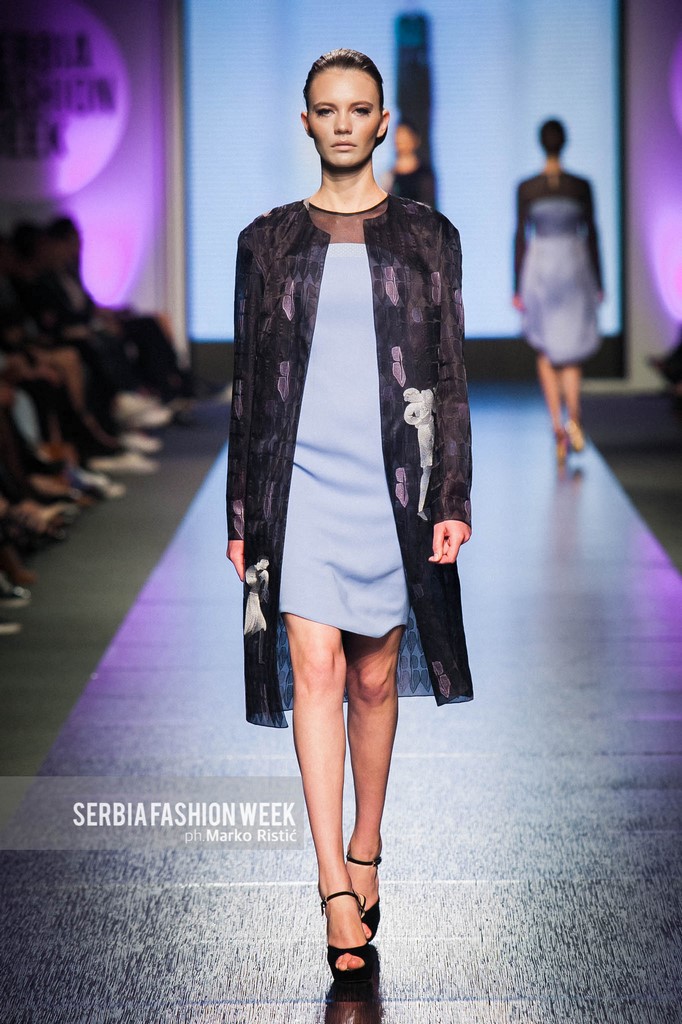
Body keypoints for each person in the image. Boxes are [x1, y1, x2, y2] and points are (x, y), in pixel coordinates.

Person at [226, 49, 472, 985]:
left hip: (392, 484)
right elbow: (246, 385)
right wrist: (242, 511)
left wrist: (451, 497)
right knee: (316, 667)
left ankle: (367, 843)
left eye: (357, 109)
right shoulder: (266, 241)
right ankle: (333, 881)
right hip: (299, 484)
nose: (341, 123)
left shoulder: (428, 237)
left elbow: (448, 374)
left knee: (373, 680)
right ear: (306, 123)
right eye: (325, 109)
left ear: (381, 122)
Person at [513, 119, 603, 463]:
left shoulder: (528, 187)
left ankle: (557, 426)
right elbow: (592, 233)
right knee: (572, 349)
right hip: (574, 265)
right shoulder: (580, 186)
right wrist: (600, 282)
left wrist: (516, 286)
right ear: (564, 142)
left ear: (541, 143)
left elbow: (520, 236)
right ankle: (574, 419)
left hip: (540, 267)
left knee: (546, 348)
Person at [382, 119, 436, 207]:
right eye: (398, 136)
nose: (400, 141)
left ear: (415, 140)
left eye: (405, 136)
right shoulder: (388, 176)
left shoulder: (425, 174)